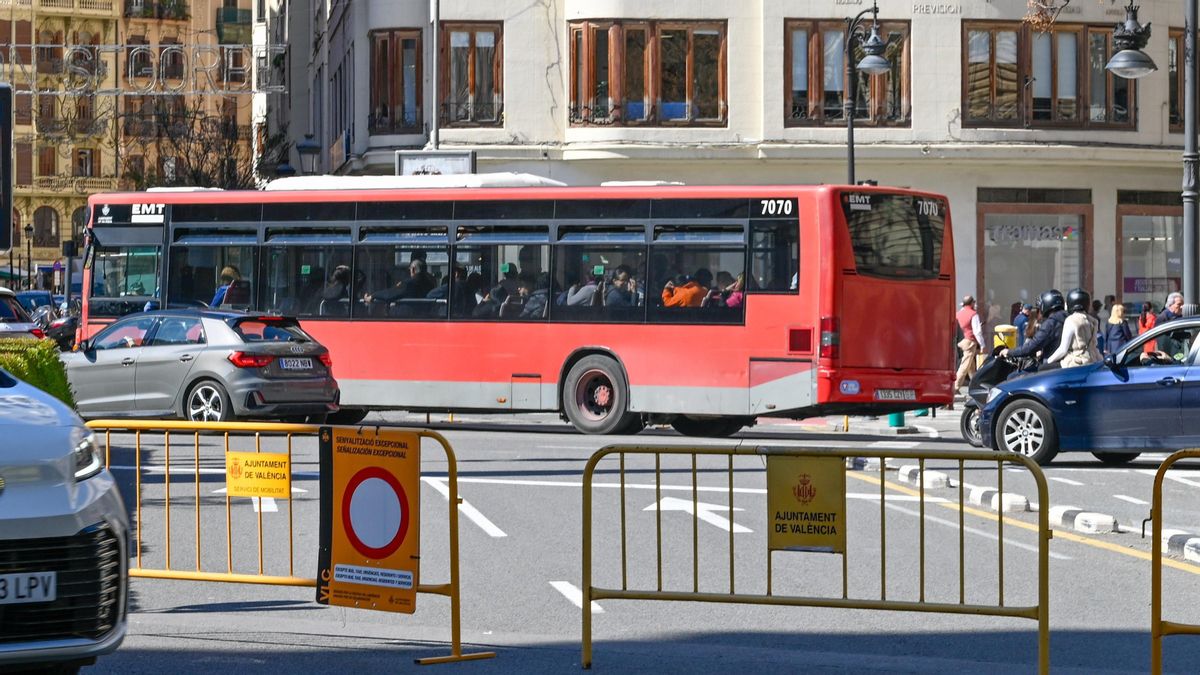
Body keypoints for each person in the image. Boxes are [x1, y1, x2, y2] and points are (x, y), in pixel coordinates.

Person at [1001, 289, 1068, 367]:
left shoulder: (1051, 323)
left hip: (1051, 366)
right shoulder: (1067, 318)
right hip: (1062, 364)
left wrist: (1009, 352)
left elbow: (1031, 347)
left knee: (1012, 377)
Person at [1044, 288, 1101, 368]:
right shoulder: (1093, 321)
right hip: (1094, 359)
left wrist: (1048, 361)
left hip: (1076, 362)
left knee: (1041, 369)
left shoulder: (1071, 320)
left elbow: (1063, 349)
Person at [954, 295, 988, 392]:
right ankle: (955, 387)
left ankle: (975, 386)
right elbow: (977, 331)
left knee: (971, 366)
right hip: (969, 341)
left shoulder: (958, 313)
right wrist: (982, 345)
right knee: (965, 366)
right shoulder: (973, 314)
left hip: (960, 341)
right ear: (972, 303)